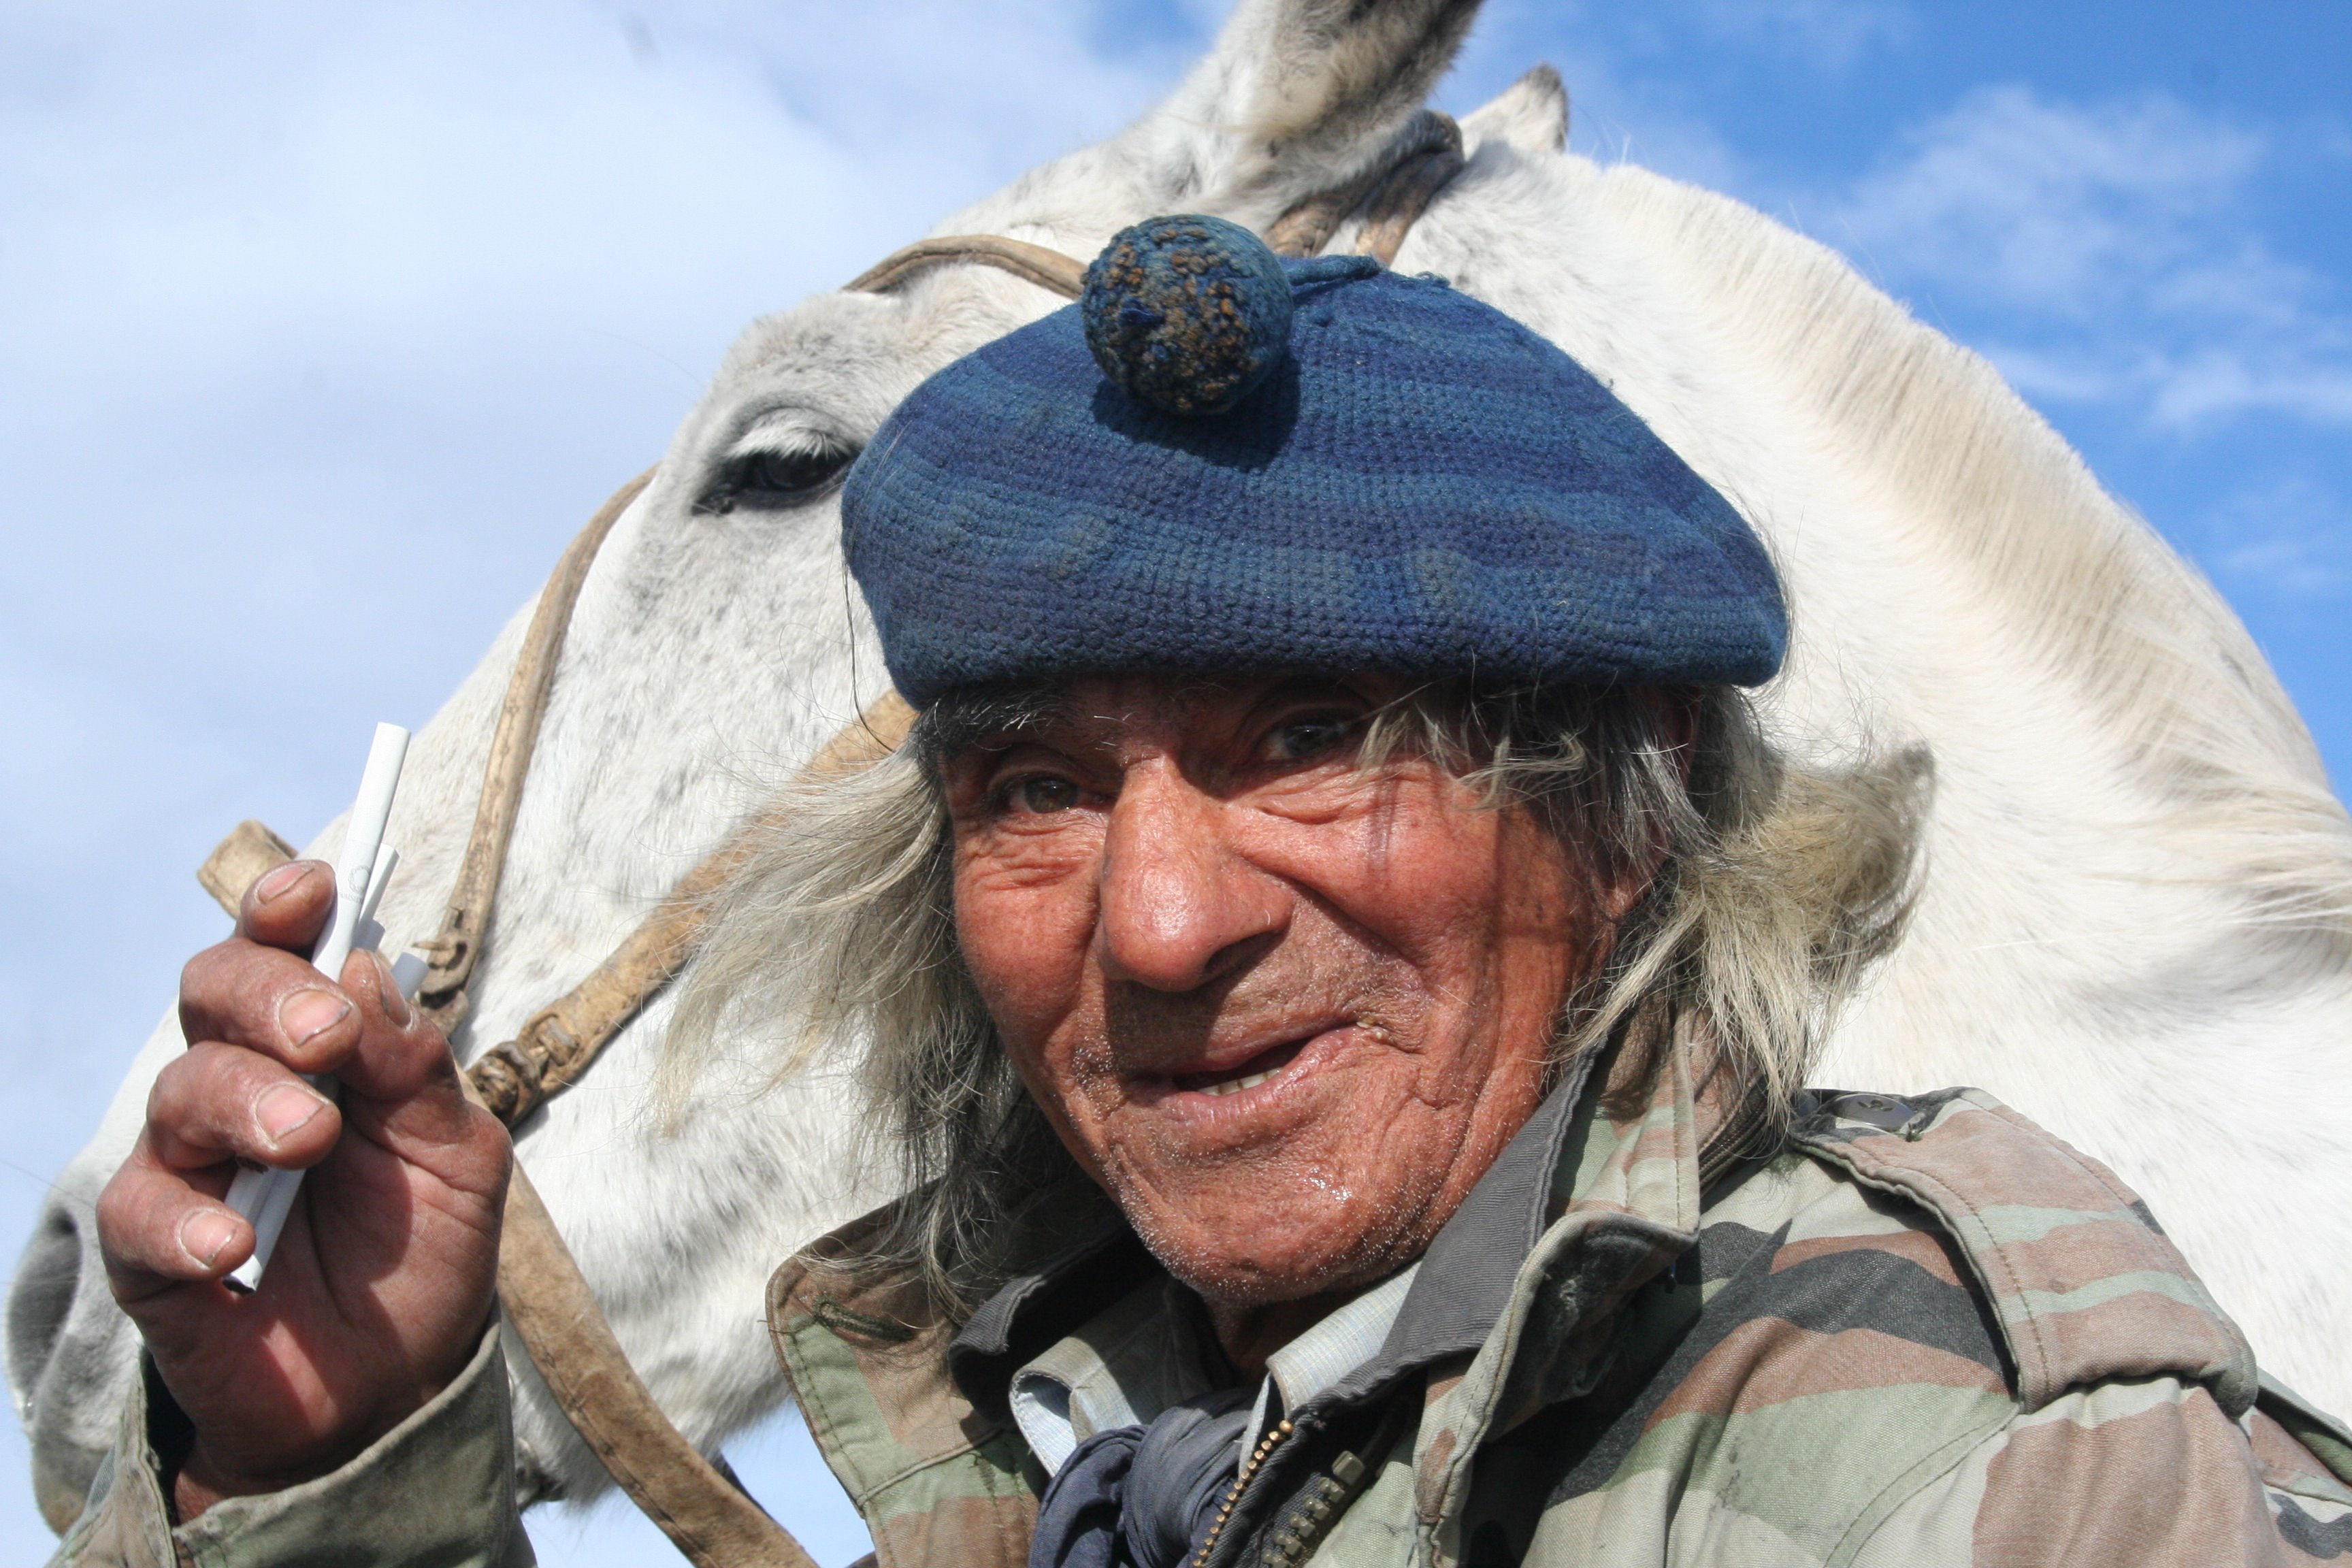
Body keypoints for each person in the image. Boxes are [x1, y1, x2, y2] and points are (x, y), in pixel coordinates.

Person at [63, 216, 2352, 1568]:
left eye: (1316, 738)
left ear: (1633, 794)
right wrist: (320, 1458)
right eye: (1038, 787)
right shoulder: (1106, 1448)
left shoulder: (1985, 1469)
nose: (1156, 928)